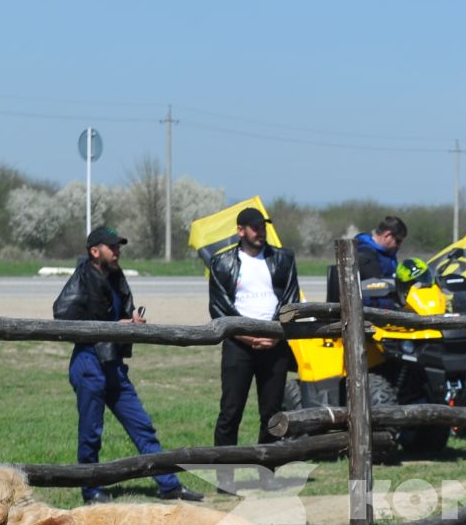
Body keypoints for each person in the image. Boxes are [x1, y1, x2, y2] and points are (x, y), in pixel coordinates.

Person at [53, 226, 202, 504]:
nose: (117, 251)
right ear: (95, 251)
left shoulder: (116, 277)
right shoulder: (82, 278)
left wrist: (131, 320)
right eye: (112, 247)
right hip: (89, 362)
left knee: (142, 426)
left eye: (119, 247)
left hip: (113, 363)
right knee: (91, 432)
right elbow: (62, 314)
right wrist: (111, 326)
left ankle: (169, 485)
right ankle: (91, 488)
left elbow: (118, 313)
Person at [205, 206, 301, 447]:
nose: (261, 232)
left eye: (263, 227)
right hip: (238, 346)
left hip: (275, 344)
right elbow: (219, 309)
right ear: (240, 231)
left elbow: (291, 300)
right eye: (255, 228)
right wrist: (248, 337)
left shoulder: (284, 259)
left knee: (272, 413)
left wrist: (275, 336)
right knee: (230, 411)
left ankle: (267, 474)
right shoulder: (221, 262)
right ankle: (225, 479)